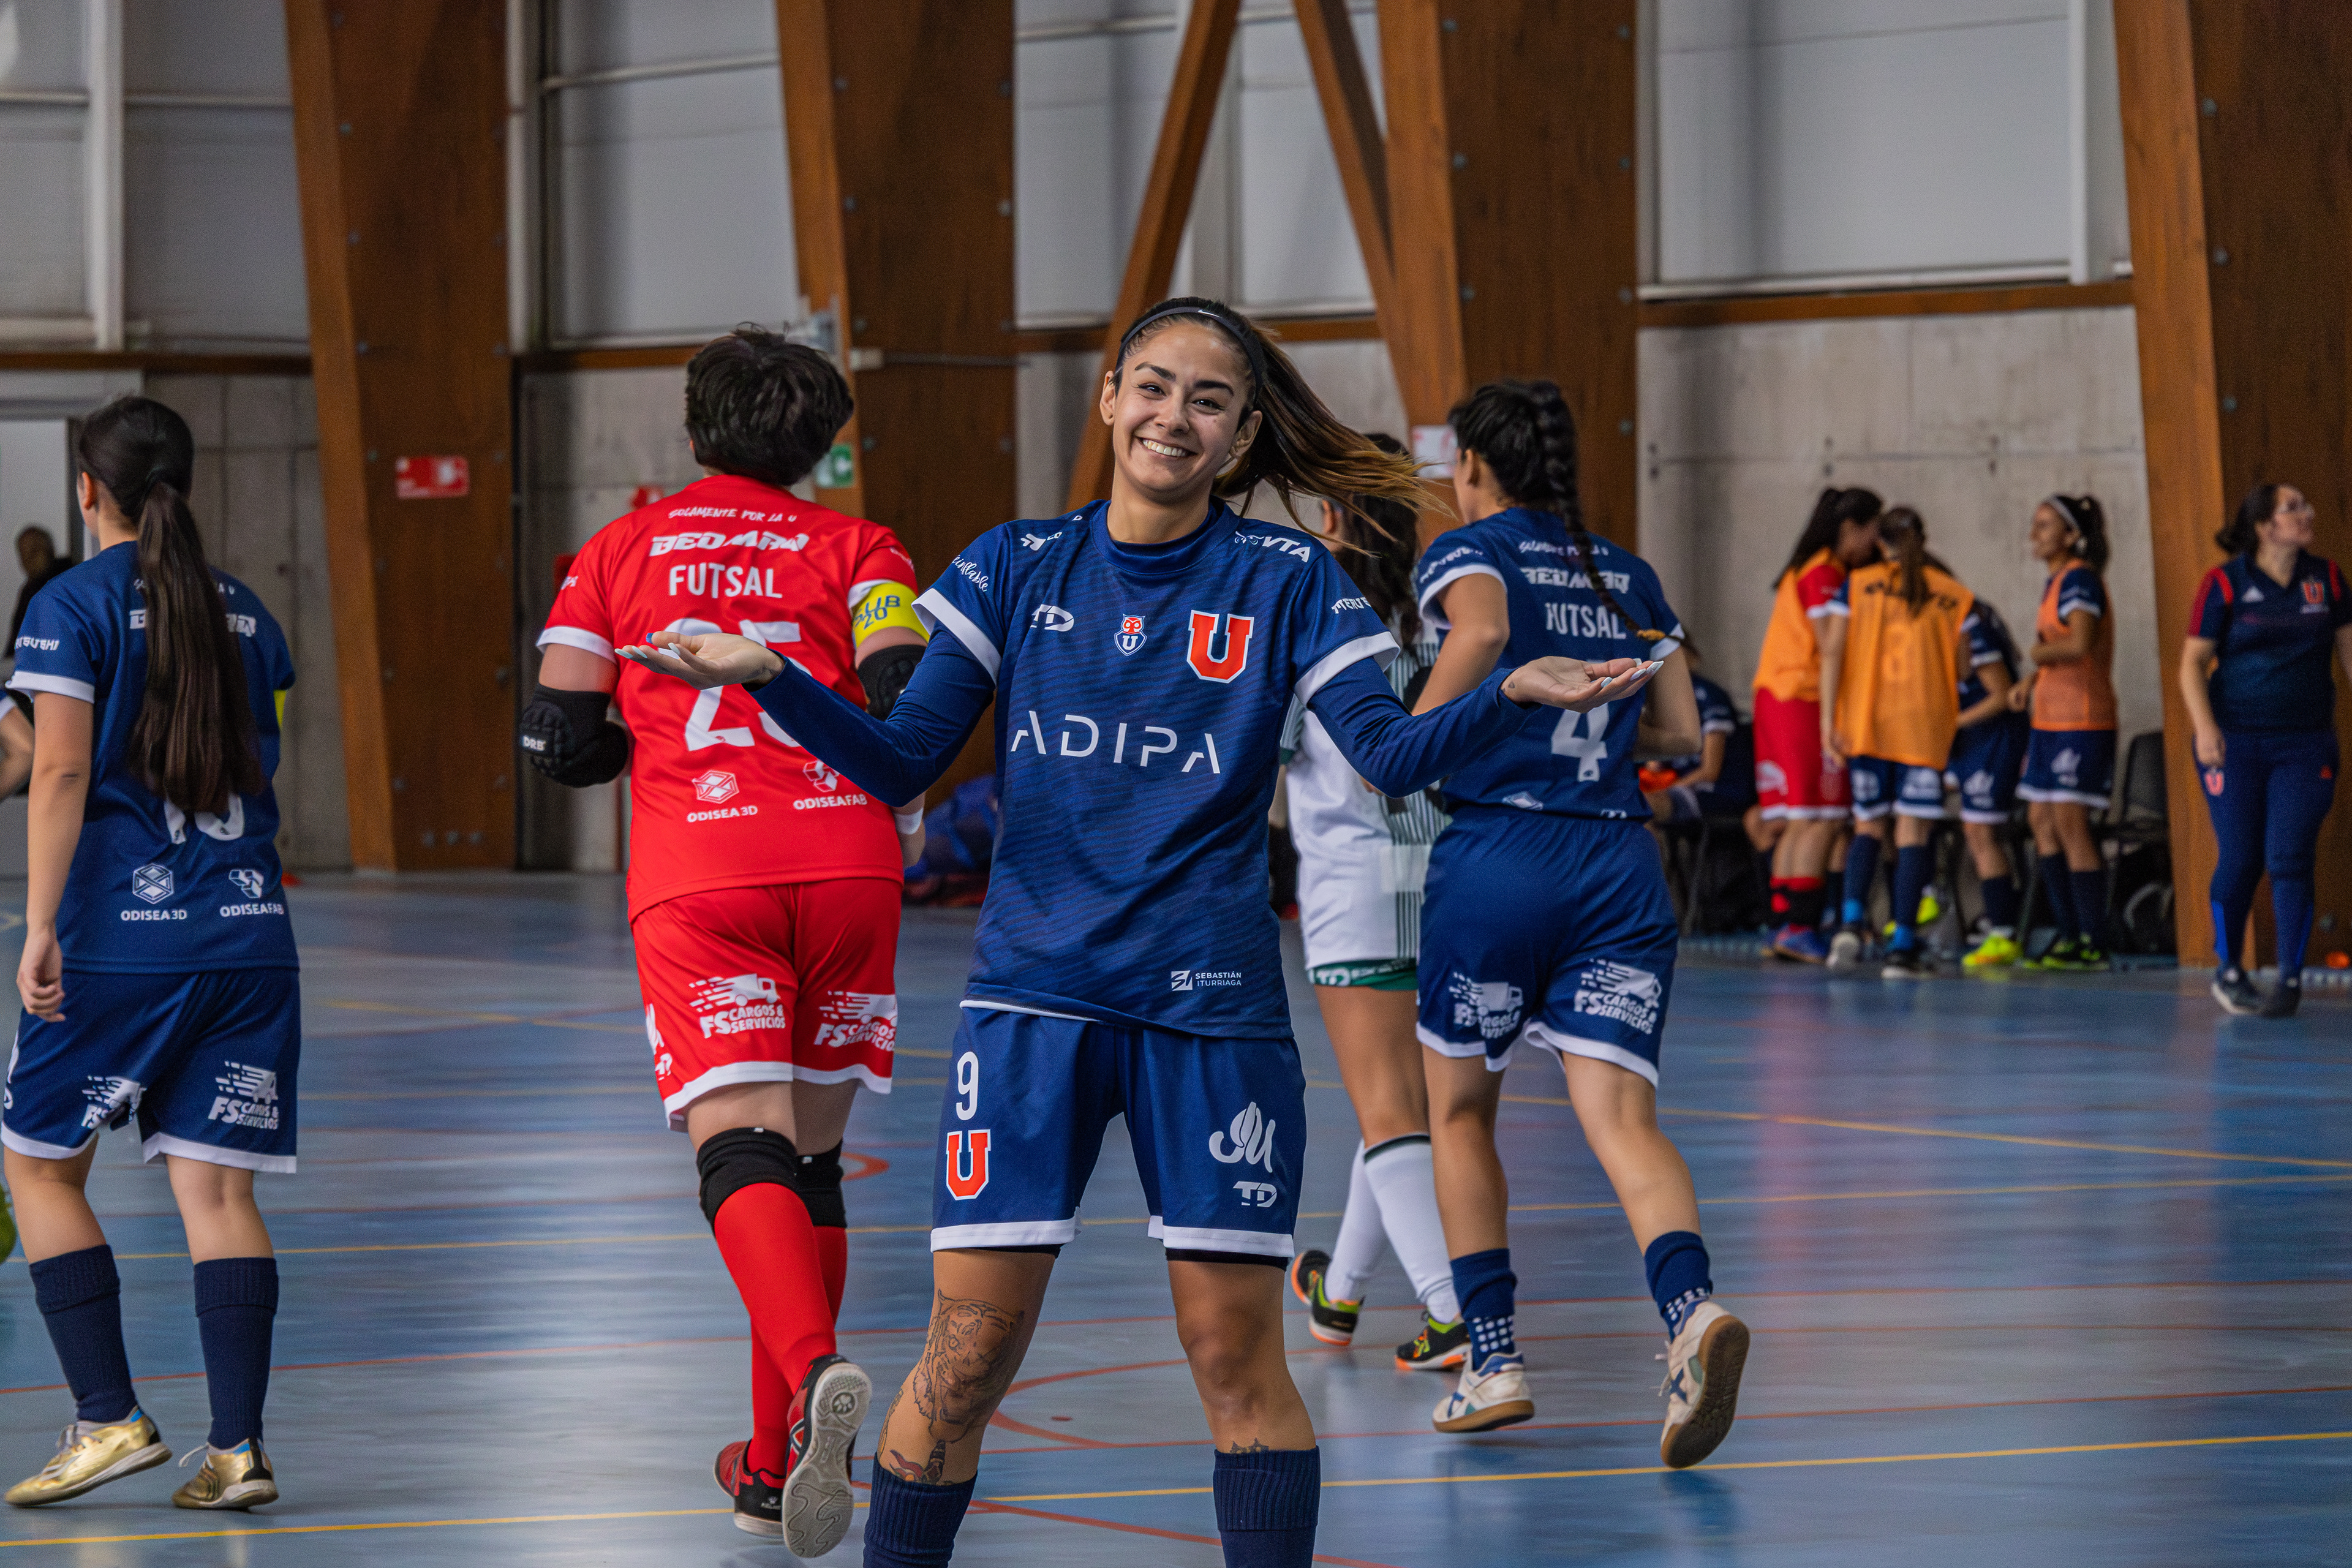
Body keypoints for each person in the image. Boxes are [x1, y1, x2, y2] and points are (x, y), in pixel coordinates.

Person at [619, 297, 1651, 1568]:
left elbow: (1390, 757)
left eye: (1209, 400)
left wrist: (1509, 695)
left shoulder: (1288, 579)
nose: (1175, 415)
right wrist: (774, 678)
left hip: (1211, 1019)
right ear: (1109, 398)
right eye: (1153, 386)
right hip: (1032, 1008)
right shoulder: (1012, 563)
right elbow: (900, 758)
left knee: (1234, 1354)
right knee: (964, 1357)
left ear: (1241, 436)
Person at [524, 327, 928, 1553]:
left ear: (696, 427)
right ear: (821, 445)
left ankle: (813, 1373)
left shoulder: (618, 549)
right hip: (850, 864)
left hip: (705, 869)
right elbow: (905, 699)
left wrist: (635, 735)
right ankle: (767, 1466)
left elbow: (558, 735)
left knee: (740, 1145)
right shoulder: (863, 547)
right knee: (811, 1162)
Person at [1408, 378, 1748, 1466]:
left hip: (1502, 857)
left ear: (1471, 464)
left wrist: (1419, 729)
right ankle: (1692, 1312)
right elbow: (1682, 733)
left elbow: (1481, 632)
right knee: (1625, 1122)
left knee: (1461, 1116)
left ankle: (1494, 1360)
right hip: (1617, 865)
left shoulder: (1471, 554)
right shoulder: (1627, 572)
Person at [2, 396, 298, 1512]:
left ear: (89, 491)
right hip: (252, 937)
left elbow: (60, 770)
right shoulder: (247, 611)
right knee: (217, 1194)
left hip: (124, 943)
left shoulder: (69, 603)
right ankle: (238, 1451)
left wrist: (39, 924)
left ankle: (108, 1416)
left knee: (39, 1168)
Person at [1280, 434, 1468, 1373]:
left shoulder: (1312, 623)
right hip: (1446, 880)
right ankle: (1340, 1294)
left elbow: (1258, 762)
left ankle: (1452, 1309)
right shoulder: (1445, 626)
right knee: (1399, 1107)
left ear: (1329, 517)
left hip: (1353, 888)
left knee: (1391, 1112)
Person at [2181, 483, 2352, 1017]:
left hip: (2304, 743)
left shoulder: (2327, 580)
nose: (2308, 513)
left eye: (2306, 504)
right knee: (2241, 857)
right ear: (2264, 527)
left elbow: (2350, 653)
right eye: (2293, 508)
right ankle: (2230, 968)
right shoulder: (2224, 583)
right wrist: (2205, 728)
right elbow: (2192, 664)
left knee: (2289, 855)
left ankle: (2290, 980)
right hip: (2235, 741)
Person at [1817, 507, 1976, 978]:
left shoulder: (1857, 585)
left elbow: (1832, 651)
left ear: (1879, 542)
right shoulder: (1953, 593)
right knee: (1913, 834)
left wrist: (1828, 721)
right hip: (1922, 728)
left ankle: (1849, 925)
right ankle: (1902, 947)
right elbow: (1965, 668)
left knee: (1868, 826)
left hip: (1867, 723)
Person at [1753, 488, 1883, 962]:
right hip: (1804, 700)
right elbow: (1832, 646)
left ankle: (1783, 924)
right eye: (1873, 532)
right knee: (1821, 820)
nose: (1876, 543)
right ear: (1851, 529)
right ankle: (1801, 927)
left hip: (1778, 697)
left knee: (1797, 821)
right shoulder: (1825, 573)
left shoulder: (1805, 568)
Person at [2008, 494, 2118, 971]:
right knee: (2041, 821)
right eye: (2035, 524)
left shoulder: (2079, 579)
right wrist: (2033, 680)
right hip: (2049, 720)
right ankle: (2068, 933)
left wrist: (2036, 656)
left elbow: (2080, 641)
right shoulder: (2055, 582)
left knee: (2071, 824)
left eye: (2046, 525)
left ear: (2072, 535)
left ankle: (2094, 939)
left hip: (2081, 719)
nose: (2035, 534)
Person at [1948, 598, 2034, 969]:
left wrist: (1951, 723)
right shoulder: (1948, 626)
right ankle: (1994, 918)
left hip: (1995, 739)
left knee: (1981, 832)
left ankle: (2004, 931)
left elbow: (2003, 695)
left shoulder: (1969, 626)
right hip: (1973, 744)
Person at [1641, 639, 1739, 823]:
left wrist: (1666, 788)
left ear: (1691, 655)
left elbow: (1710, 771)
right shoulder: (1660, 696)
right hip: (1674, 784)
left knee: (1641, 807)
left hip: (1712, 790)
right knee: (1623, 803)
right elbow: (1653, 767)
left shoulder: (1708, 694)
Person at [9, 527, 74, 648]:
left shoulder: (69, 579)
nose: (28, 559)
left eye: (34, 551)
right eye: (24, 554)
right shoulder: (29, 591)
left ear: (49, 550)